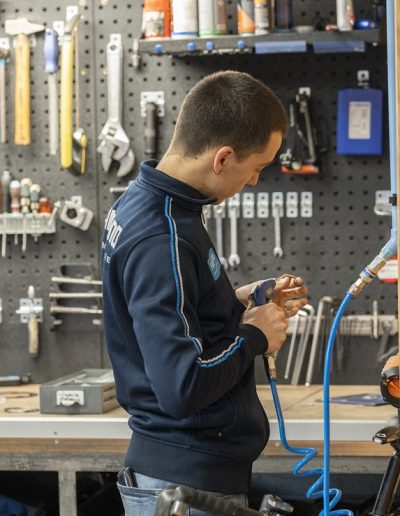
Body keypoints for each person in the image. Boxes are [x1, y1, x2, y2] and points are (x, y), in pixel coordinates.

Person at [101, 70, 309, 515]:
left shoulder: (150, 202)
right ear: (222, 158)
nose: (254, 181)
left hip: (184, 474)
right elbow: (182, 386)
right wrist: (254, 336)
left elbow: (174, 313)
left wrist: (238, 302)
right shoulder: (164, 234)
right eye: (256, 168)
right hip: (185, 484)